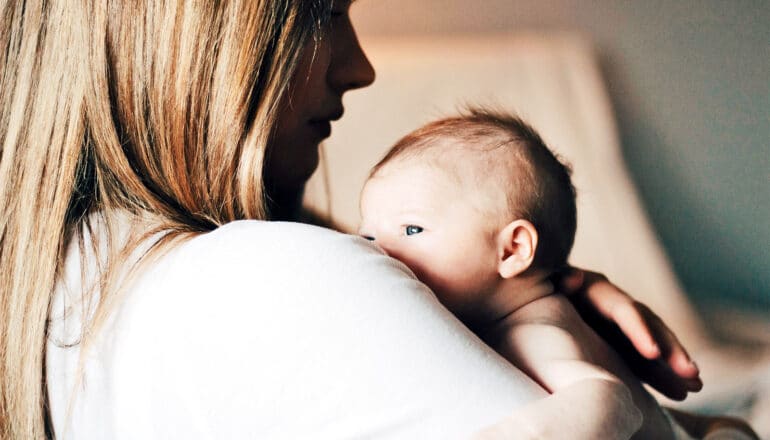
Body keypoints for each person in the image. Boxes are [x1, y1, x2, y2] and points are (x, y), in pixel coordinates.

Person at [1, 1, 703, 438]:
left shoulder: (61, 288)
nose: (360, 67)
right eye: (321, 10)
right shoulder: (273, 276)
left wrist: (531, 295)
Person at [358, 109, 758, 439]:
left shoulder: (535, 331)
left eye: (412, 230)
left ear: (513, 250)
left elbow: (606, 397)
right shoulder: (513, 314)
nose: (379, 250)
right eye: (368, 235)